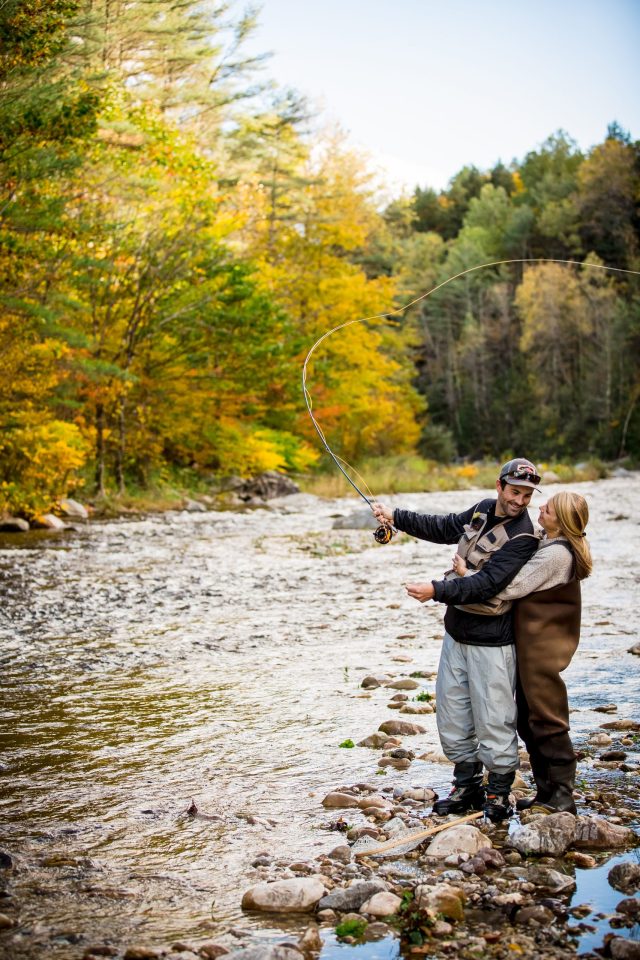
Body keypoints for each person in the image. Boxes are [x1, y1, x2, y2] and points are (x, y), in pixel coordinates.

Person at [373, 458, 542, 822]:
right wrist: (395, 516)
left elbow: (488, 585)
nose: (520, 500)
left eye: (527, 494)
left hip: (494, 643)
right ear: (499, 486)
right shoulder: (482, 510)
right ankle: (466, 785)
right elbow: (444, 526)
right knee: (452, 713)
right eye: (515, 491)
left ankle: (498, 791)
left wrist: (435, 589)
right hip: (456, 635)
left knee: (495, 718)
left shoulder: (525, 536)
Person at [452, 491, 592, 814]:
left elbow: (511, 587)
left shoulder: (558, 555)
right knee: (530, 720)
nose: (540, 507)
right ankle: (546, 793)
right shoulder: (547, 539)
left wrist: (467, 575)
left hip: (543, 649)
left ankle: (561, 796)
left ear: (563, 521)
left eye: (550, 508)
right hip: (534, 644)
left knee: (547, 719)